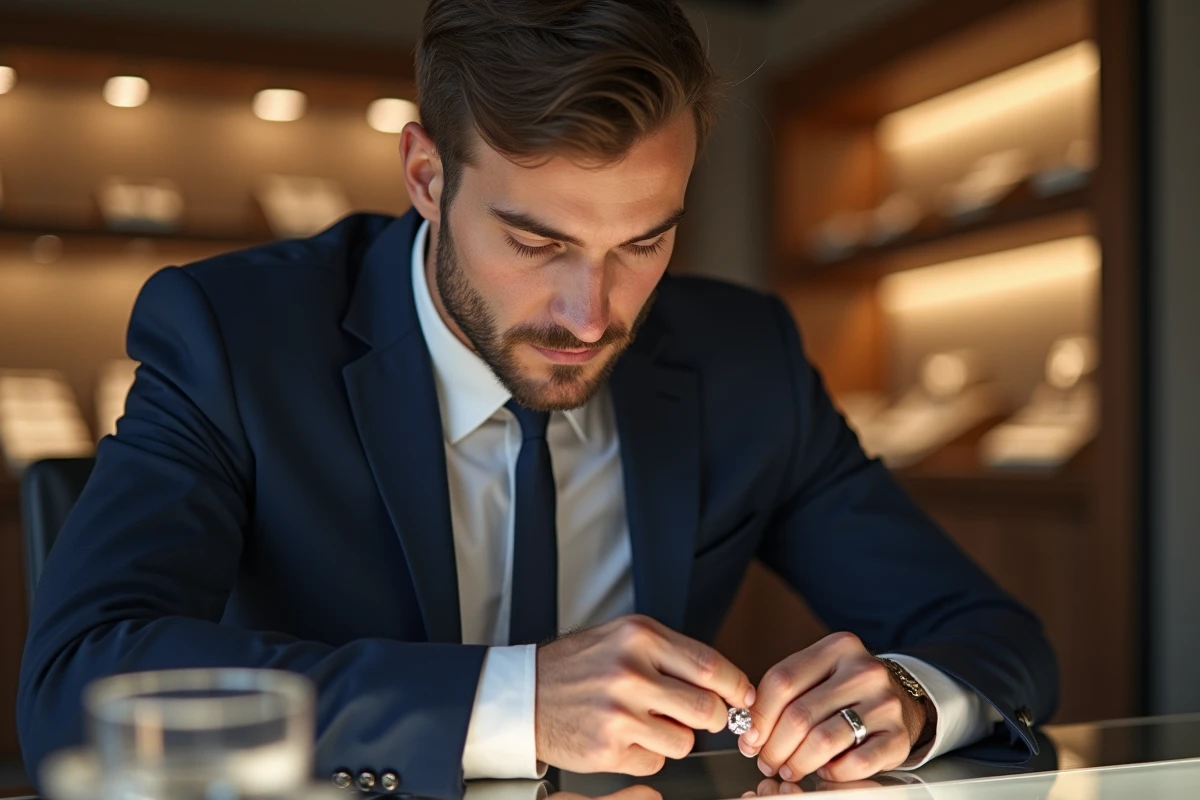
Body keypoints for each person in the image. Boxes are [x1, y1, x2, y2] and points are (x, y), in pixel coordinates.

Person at [17, 1, 1057, 798]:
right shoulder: (233, 337)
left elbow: (988, 633)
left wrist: (911, 696)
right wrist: (509, 699)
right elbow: (79, 681)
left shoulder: (747, 360)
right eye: (535, 240)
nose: (591, 311)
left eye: (644, 240)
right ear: (426, 175)